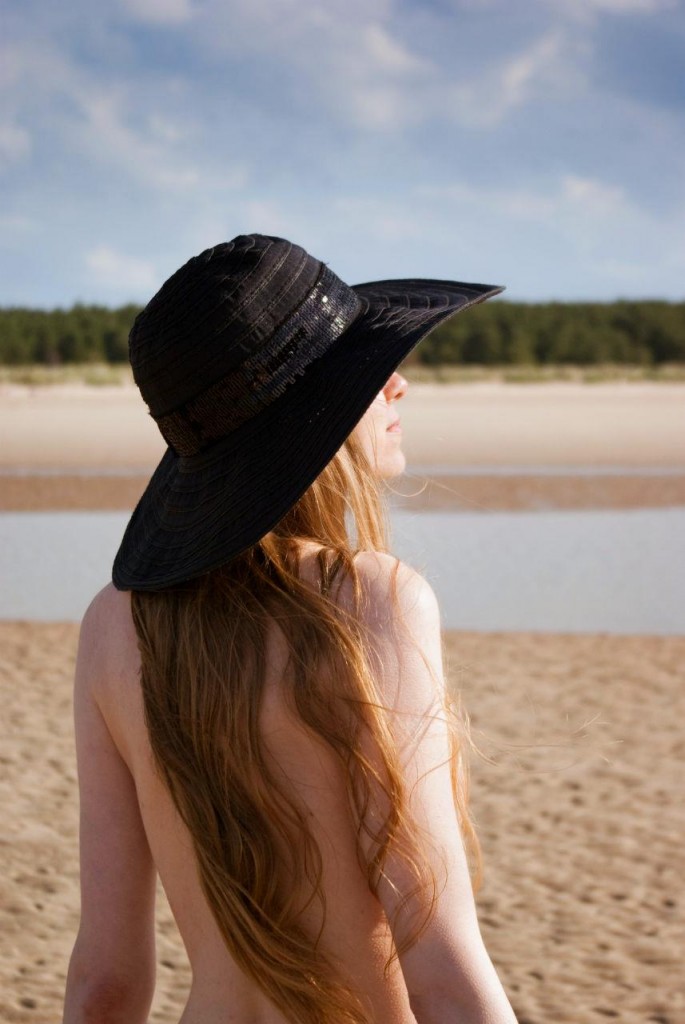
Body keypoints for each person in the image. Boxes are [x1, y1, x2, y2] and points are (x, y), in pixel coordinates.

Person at [63, 234, 517, 1024]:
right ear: (316, 419)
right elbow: (436, 960)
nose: (398, 385)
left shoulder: (112, 625)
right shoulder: (372, 600)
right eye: (369, 375)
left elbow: (104, 979)